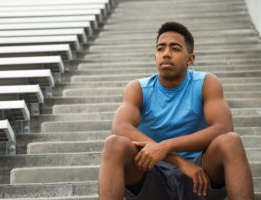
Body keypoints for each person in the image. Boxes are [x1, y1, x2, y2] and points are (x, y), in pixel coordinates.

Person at [98, 21, 254, 200]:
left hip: (199, 178)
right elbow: (120, 127)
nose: (166, 54)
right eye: (160, 49)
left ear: (190, 59)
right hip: (151, 174)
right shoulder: (138, 88)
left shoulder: (206, 83)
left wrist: (166, 146)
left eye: (175, 48)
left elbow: (223, 128)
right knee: (114, 143)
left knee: (230, 141)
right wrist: (176, 160)